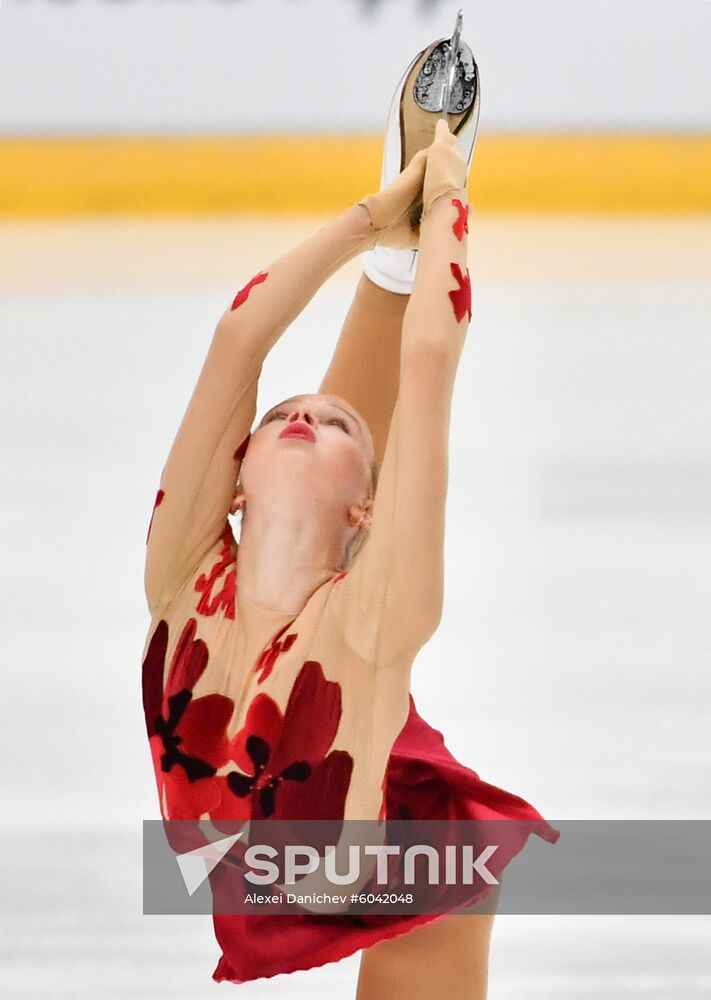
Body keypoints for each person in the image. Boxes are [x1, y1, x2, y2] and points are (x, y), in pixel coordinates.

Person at [141, 34, 559, 998]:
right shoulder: (179, 576)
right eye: (284, 416)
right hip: (291, 808)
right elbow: (239, 337)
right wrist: (377, 215)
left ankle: (400, 268)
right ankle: (395, 266)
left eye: (328, 421)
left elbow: (426, 366)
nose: (300, 416)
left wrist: (451, 188)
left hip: (358, 830)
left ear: (368, 506)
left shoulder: (372, 617)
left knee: (449, 879)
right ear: (234, 479)